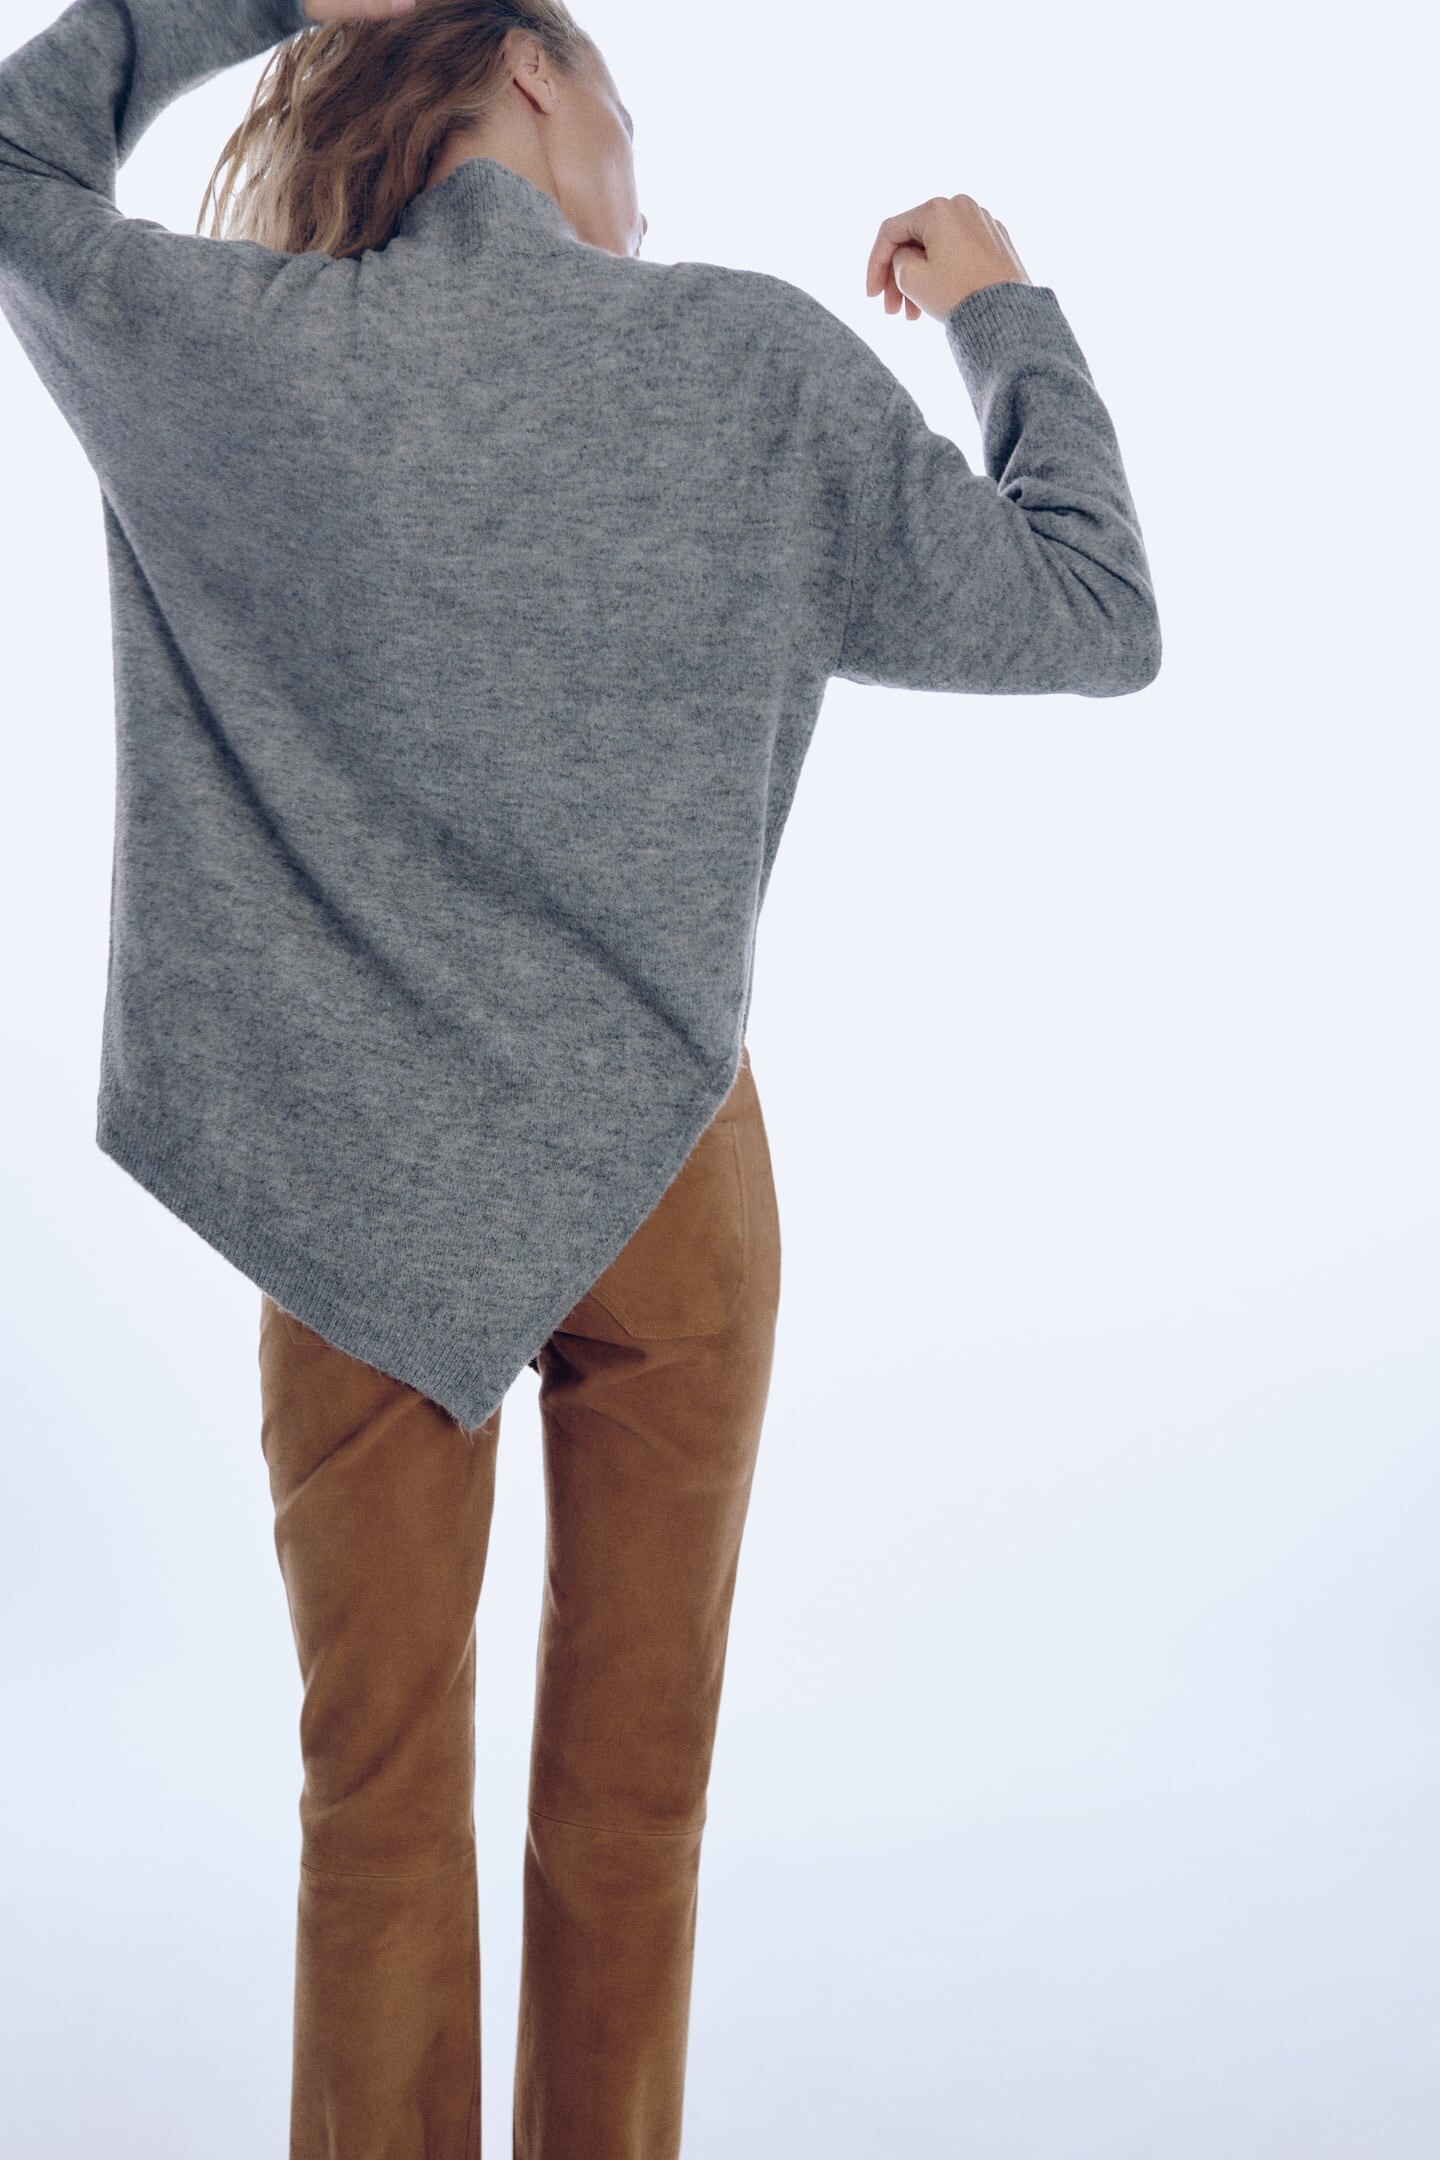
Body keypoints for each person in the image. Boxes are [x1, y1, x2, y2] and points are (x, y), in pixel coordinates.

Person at [0, 0, 1161, 2153]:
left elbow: (11, 167)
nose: (644, 189)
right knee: (635, 1818)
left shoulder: (248, 357)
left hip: (350, 1192)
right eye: (632, 117)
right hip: (665, 1171)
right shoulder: (747, 367)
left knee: (371, 1810)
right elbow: (1093, 608)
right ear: (535, 69)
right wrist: (998, 309)